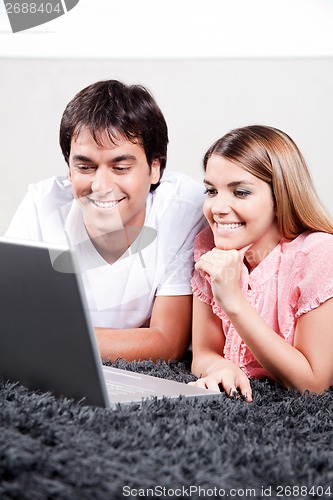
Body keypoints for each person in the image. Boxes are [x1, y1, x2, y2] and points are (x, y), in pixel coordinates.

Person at [5, 79, 206, 362]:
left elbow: (167, 342)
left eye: (120, 167)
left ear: (154, 169)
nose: (101, 185)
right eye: (85, 167)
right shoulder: (41, 204)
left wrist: (49, 336)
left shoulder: (186, 208)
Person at [189, 125, 333, 401]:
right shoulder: (209, 246)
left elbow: (314, 383)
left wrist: (233, 301)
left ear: (281, 198)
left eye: (240, 192)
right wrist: (221, 367)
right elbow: (203, 352)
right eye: (211, 191)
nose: (217, 208)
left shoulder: (318, 255)